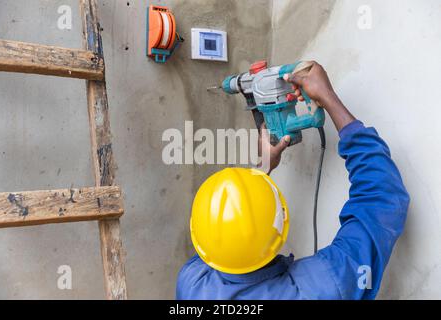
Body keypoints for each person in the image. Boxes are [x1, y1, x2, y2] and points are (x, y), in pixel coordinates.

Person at [176, 61, 410, 300]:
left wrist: (262, 170)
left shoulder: (192, 283)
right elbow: (382, 199)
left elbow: (224, 240)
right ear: (282, 220)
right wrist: (329, 98)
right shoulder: (320, 287)